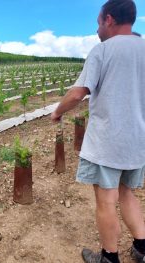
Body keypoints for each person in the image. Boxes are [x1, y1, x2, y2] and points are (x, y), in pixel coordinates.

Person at [51, 0, 145, 262]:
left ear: (110, 20)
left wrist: (58, 111)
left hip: (108, 142)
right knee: (127, 193)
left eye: (98, 22)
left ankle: (108, 257)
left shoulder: (102, 51)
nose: (96, 29)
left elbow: (78, 93)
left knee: (106, 200)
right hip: (137, 141)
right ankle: (142, 249)